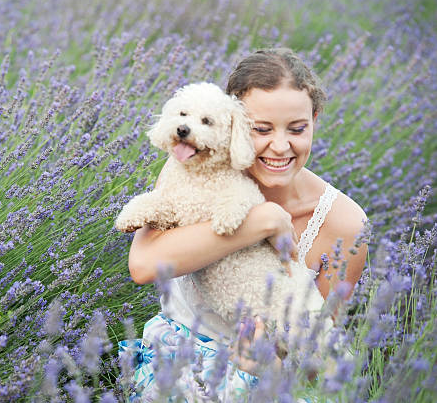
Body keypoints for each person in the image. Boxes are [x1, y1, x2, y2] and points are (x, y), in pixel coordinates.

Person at [118, 48, 368, 401]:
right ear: (230, 123)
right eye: (260, 129)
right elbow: (143, 266)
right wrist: (259, 224)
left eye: (297, 128)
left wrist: (270, 371)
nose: (280, 146)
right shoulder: (190, 166)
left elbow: (320, 367)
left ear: (314, 120)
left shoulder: (343, 223)